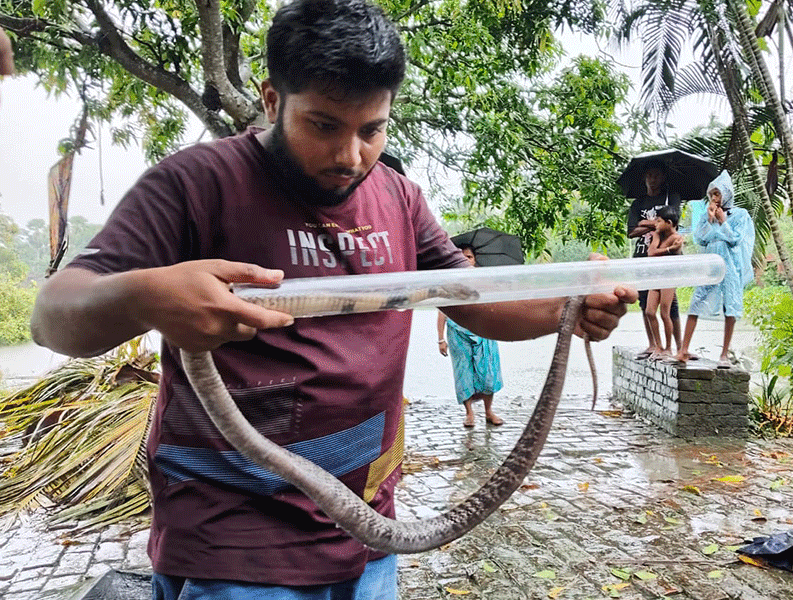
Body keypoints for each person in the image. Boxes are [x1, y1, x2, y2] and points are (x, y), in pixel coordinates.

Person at [29, 1, 637, 597]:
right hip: (235, 547)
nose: (351, 157)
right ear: (272, 100)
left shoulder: (398, 197)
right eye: (324, 126)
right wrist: (144, 295)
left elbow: (469, 298)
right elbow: (53, 315)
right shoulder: (196, 184)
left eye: (372, 130)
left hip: (369, 531)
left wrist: (571, 307)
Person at [673, 170, 754, 369]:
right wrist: (708, 220)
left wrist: (723, 221)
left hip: (731, 267)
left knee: (730, 308)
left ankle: (724, 354)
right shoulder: (705, 215)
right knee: (696, 302)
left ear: (726, 194)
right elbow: (700, 238)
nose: (714, 198)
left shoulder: (740, 215)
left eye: (717, 194)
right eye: (711, 195)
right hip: (710, 265)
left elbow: (736, 239)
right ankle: (684, 349)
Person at [437, 244, 504, 427]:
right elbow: (442, 310)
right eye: (462, 257)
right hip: (458, 332)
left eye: (469, 257)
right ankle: (469, 414)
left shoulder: (484, 280)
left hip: (483, 330)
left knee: (488, 372)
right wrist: (441, 339)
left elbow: (494, 305)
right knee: (463, 372)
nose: (466, 260)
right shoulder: (449, 283)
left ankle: (489, 411)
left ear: (475, 260)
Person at [626, 160, 683, 358]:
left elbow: (674, 221)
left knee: (670, 305)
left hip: (669, 260)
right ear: (644, 178)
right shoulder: (638, 203)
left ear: (664, 177)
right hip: (643, 255)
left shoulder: (672, 198)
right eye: (649, 175)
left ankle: (677, 346)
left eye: (657, 175)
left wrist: (646, 222)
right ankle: (653, 345)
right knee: (645, 303)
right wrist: (656, 224)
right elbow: (632, 232)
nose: (653, 179)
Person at [645, 205, 684, 359]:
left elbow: (675, 255)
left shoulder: (677, 238)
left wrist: (673, 249)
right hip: (656, 277)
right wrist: (668, 250)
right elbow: (651, 253)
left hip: (669, 278)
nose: (655, 224)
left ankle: (668, 348)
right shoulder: (657, 235)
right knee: (649, 311)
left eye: (659, 221)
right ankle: (658, 346)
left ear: (669, 222)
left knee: (665, 313)